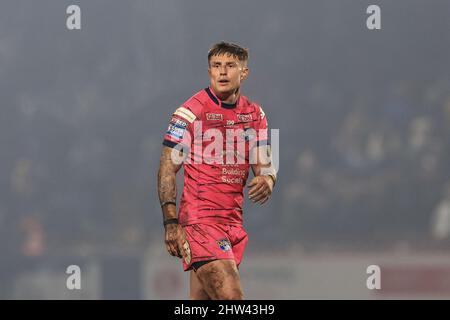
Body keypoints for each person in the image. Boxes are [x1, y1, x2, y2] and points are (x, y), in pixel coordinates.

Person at [157, 41, 277, 300]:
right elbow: (167, 167)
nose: (222, 72)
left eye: (230, 66)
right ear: (209, 71)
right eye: (216, 66)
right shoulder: (189, 113)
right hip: (201, 222)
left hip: (232, 223)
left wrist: (268, 178)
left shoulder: (256, 115)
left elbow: (265, 164)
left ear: (243, 73)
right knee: (231, 299)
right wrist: (170, 222)